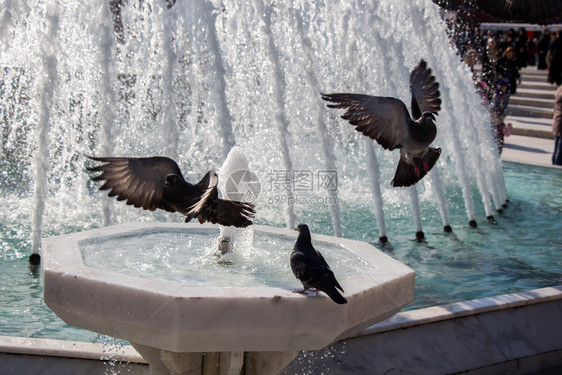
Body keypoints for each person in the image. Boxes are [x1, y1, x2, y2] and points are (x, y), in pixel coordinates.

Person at [553, 85, 562, 165]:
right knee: (559, 154)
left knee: (557, 149)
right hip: (560, 122)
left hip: (558, 121)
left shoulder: (560, 89)